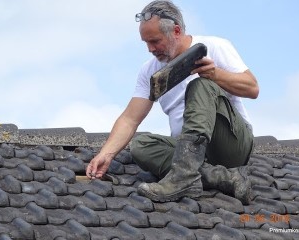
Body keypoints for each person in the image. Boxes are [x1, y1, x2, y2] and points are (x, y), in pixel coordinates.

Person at [86, 0, 259, 204]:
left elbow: (252, 88)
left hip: (230, 145)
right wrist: (106, 154)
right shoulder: (149, 71)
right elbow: (130, 119)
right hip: (192, 154)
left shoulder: (215, 46)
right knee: (140, 146)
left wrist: (216, 75)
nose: (150, 49)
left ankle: (185, 175)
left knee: (200, 85)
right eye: (146, 43)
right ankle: (219, 178)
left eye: (155, 41)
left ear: (176, 31)